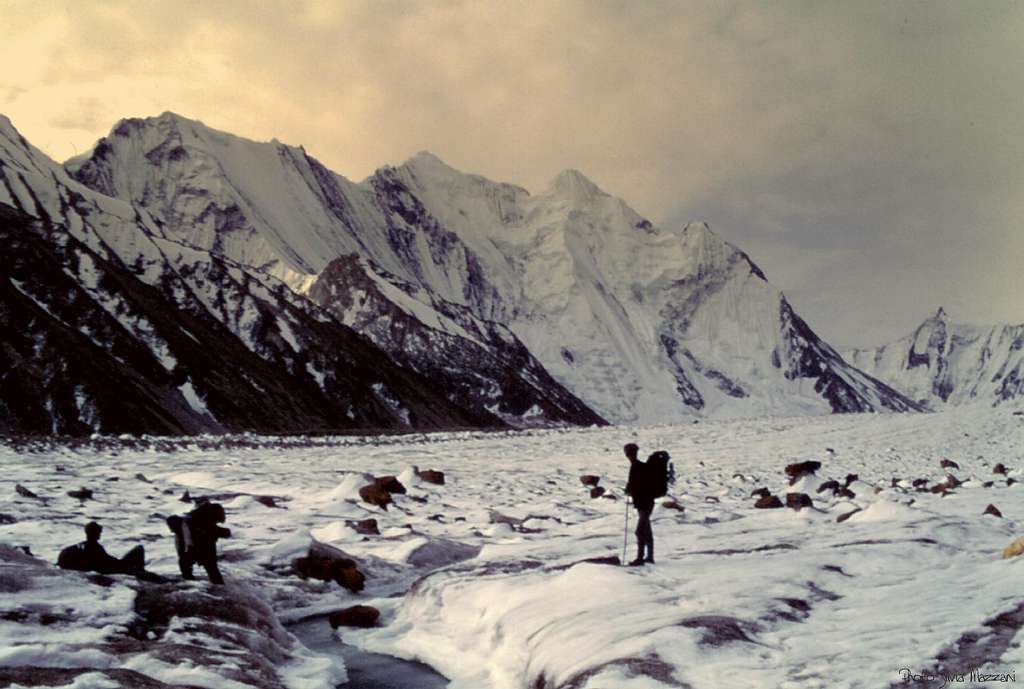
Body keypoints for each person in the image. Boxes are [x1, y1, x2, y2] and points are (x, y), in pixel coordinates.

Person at [57, 522, 160, 581]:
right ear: (96, 533)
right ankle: (141, 571)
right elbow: (109, 562)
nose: (100, 534)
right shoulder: (94, 547)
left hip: (106, 567)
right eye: (99, 532)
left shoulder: (83, 546)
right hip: (111, 569)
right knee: (139, 549)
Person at [167, 501, 231, 584]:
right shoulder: (199, 520)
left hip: (194, 548)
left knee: (188, 568)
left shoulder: (193, 520)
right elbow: (216, 532)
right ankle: (217, 586)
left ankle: (189, 584)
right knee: (211, 570)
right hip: (198, 548)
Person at [624, 443, 655, 566]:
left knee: (640, 531)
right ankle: (649, 557)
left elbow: (638, 486)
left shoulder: (636, 467)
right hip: (646, 502)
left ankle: (640, 558)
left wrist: (629, 490)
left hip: (644, 503)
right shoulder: (641, 466)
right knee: (646, 529)